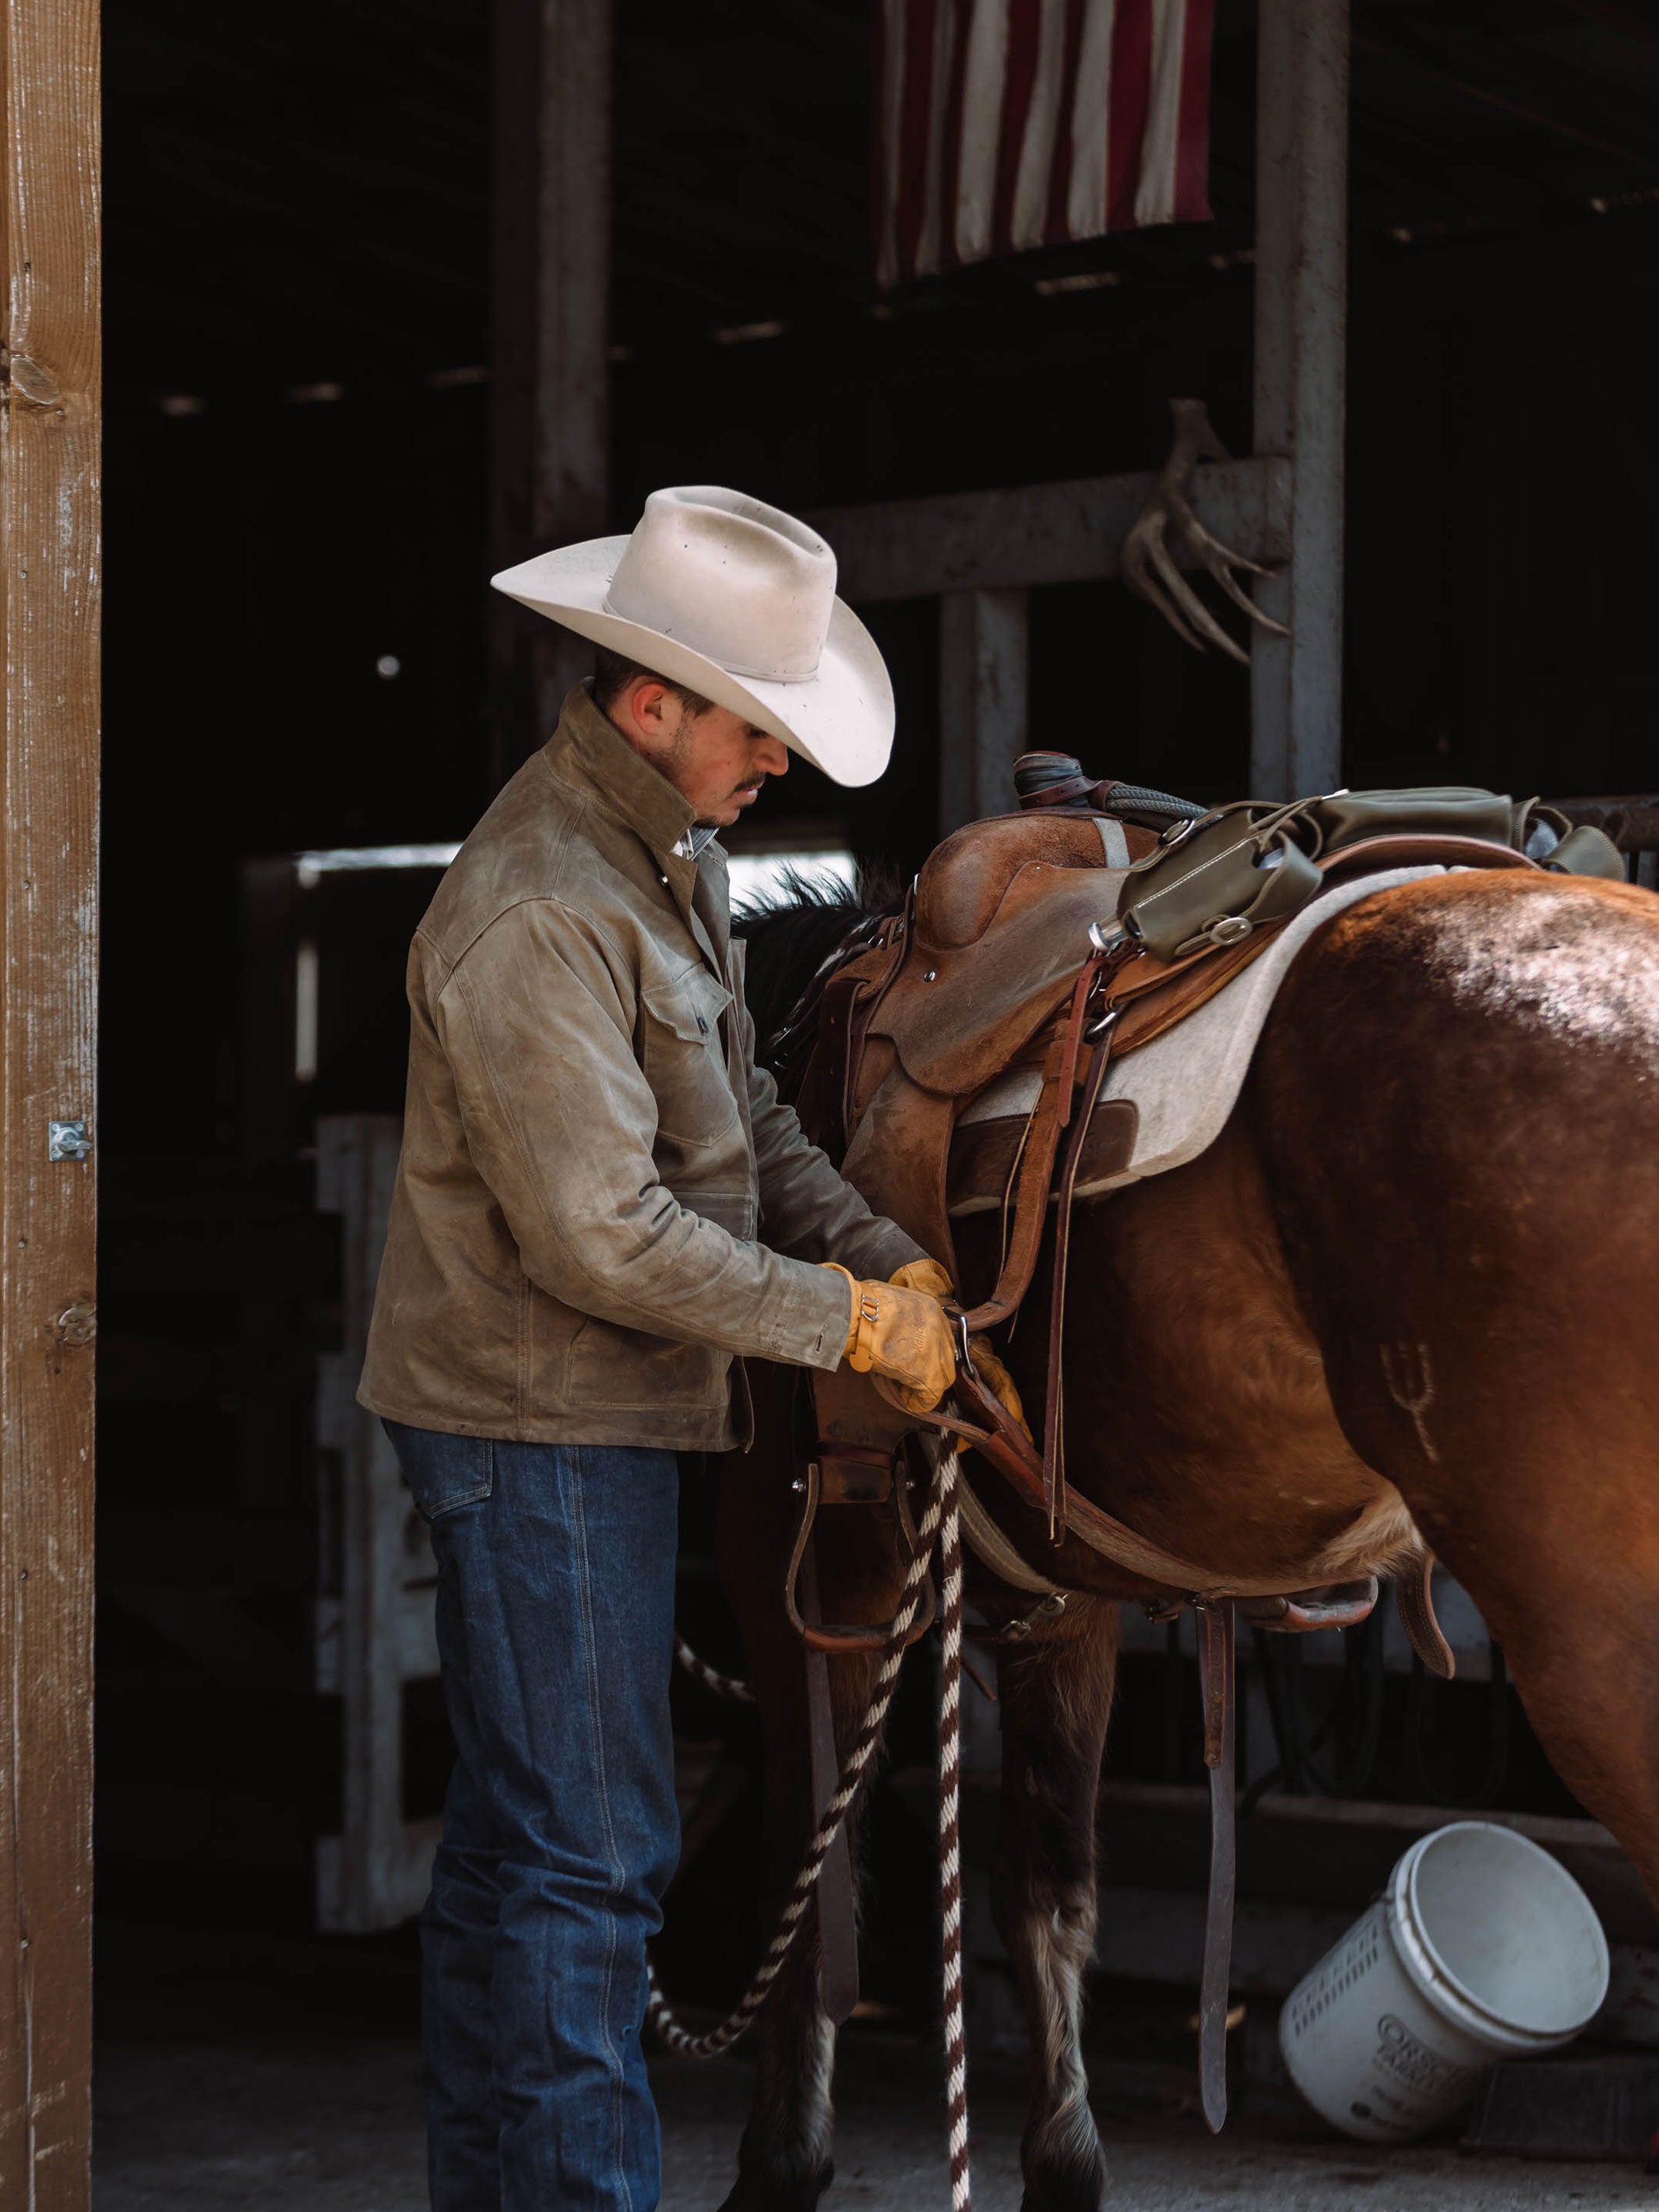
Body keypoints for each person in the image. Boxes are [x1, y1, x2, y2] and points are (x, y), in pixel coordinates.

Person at [358, 485, 980, 2212]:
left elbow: (746, 1122)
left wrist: (880, 1252)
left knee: (517, 1851)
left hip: (569, 1415)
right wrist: (847, 1322)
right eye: (755, 732)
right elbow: (603, 1234)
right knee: (590, 1859)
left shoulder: (658, 859)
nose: (770, 764)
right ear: (655, 703)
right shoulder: (541, 910)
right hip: (540, 1423)